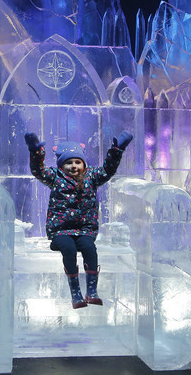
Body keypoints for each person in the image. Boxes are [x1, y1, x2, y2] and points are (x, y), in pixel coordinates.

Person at [24, 130, 133, 308]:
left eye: (77, 162)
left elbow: (108, 169)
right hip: (60, 230)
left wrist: (117, 149)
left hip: (85, 230)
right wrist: (35, 151)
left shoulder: (92, 177)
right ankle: (75, 293)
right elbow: (38, 171)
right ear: (61, 165)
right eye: (68, 162)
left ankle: (91, 291)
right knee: (68, 249)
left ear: (83, 163)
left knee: (90, 248)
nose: (74, 166)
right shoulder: (55, 177)